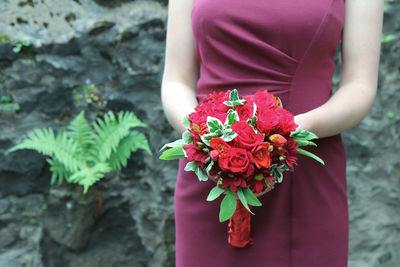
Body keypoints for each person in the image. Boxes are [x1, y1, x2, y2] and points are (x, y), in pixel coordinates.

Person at [161, 0, 383, 266]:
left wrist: (290, 134)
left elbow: (360, 86)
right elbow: (176, 81)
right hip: (211, 172)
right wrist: (207, 141)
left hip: (303, 169)